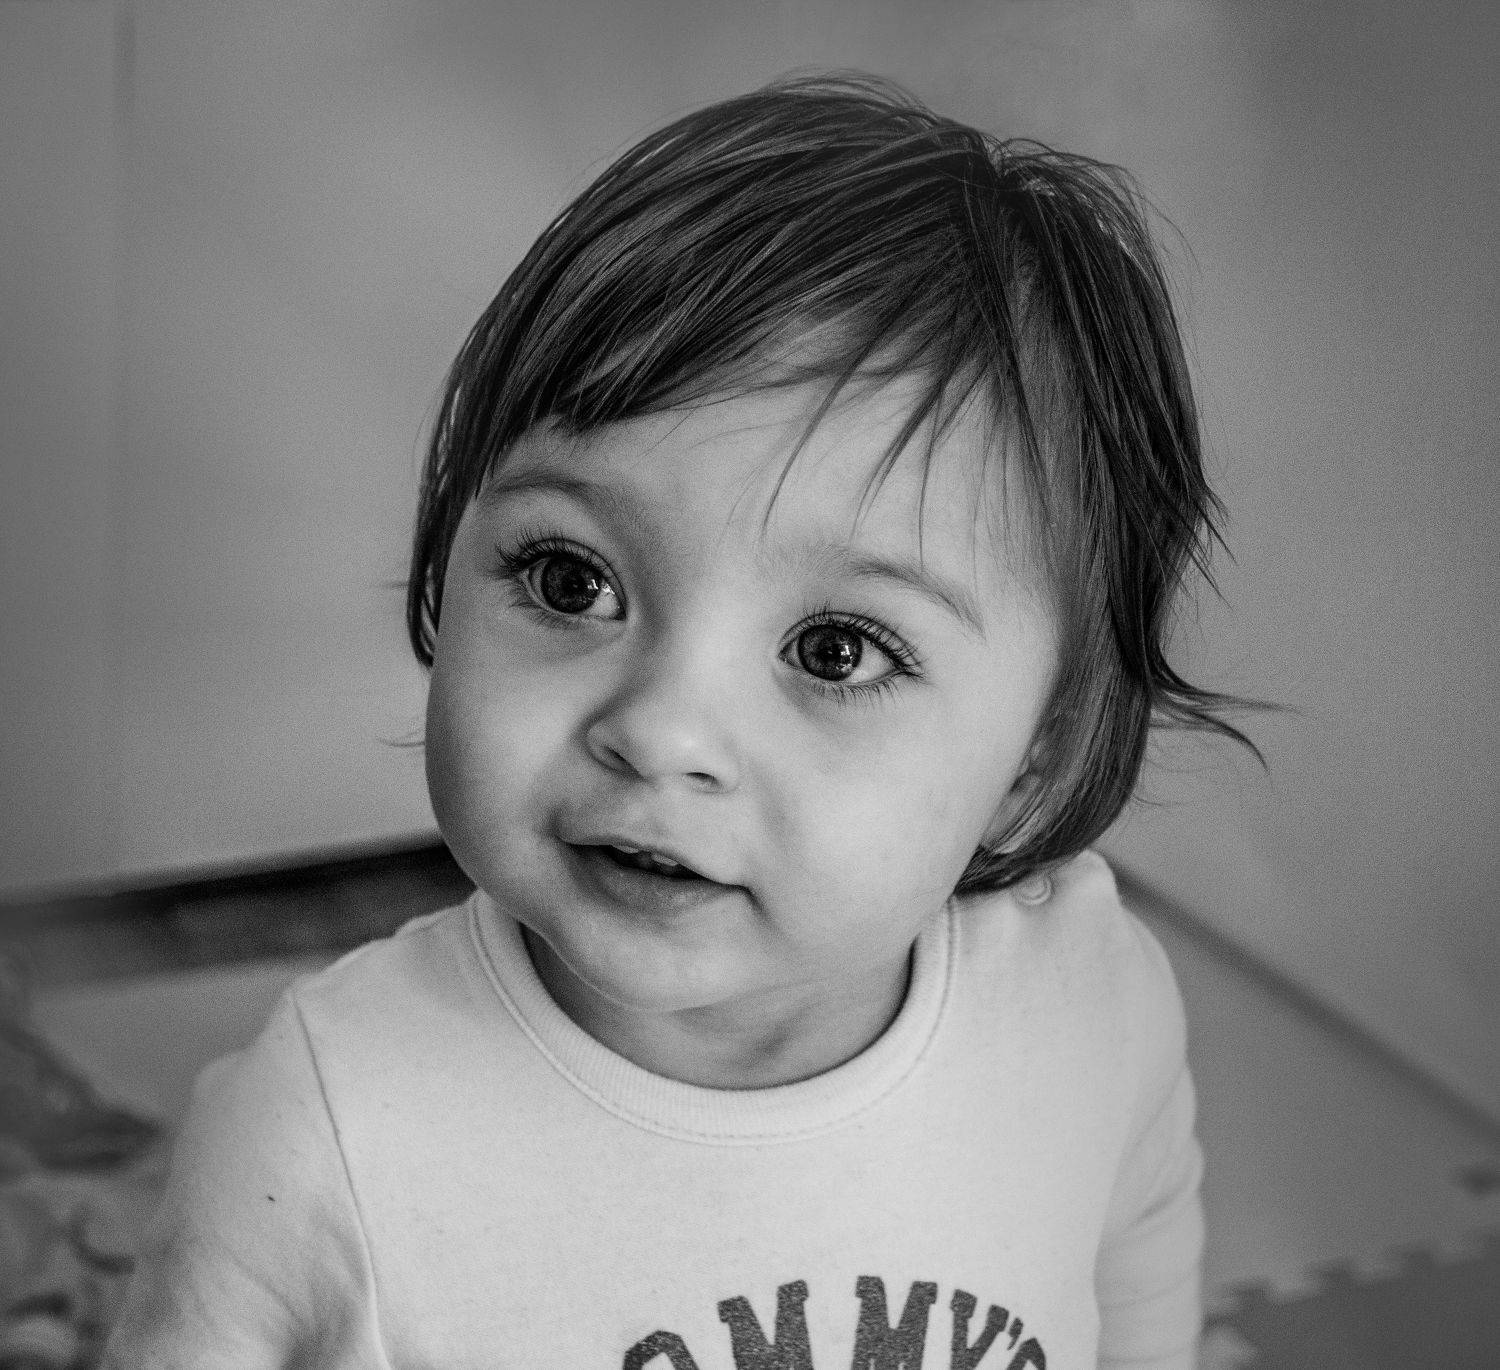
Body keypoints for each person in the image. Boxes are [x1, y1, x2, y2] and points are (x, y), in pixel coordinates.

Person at [105, 73, 1256, 1369]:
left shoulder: (1088, 1010)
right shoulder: (322, 1126)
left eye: (835, 651)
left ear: (1034, 765)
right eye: (570, 580)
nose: (661, 731)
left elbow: (1139, 1269)